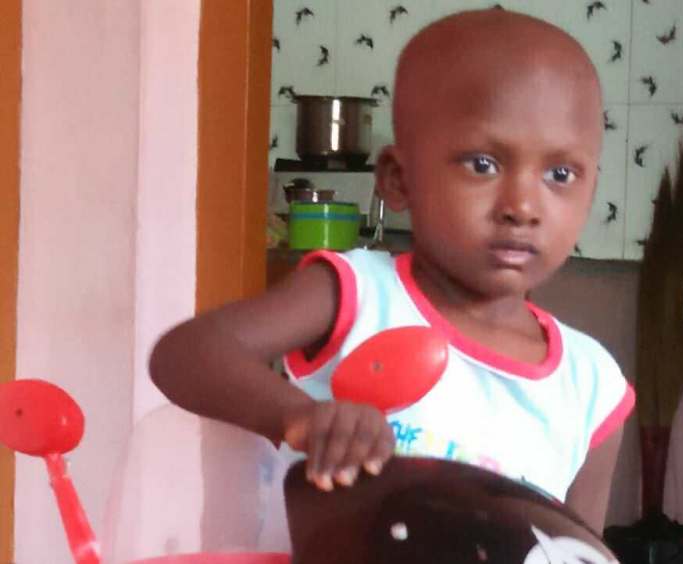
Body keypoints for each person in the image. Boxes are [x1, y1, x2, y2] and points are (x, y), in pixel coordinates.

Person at [150, 8, 634, 534]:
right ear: (399, 180)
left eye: (560, 174)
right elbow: (186, 354)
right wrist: (301, 418)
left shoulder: (592, 385)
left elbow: (580, 547)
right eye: (483, 165)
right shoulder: (357, 296)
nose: (522, 206)